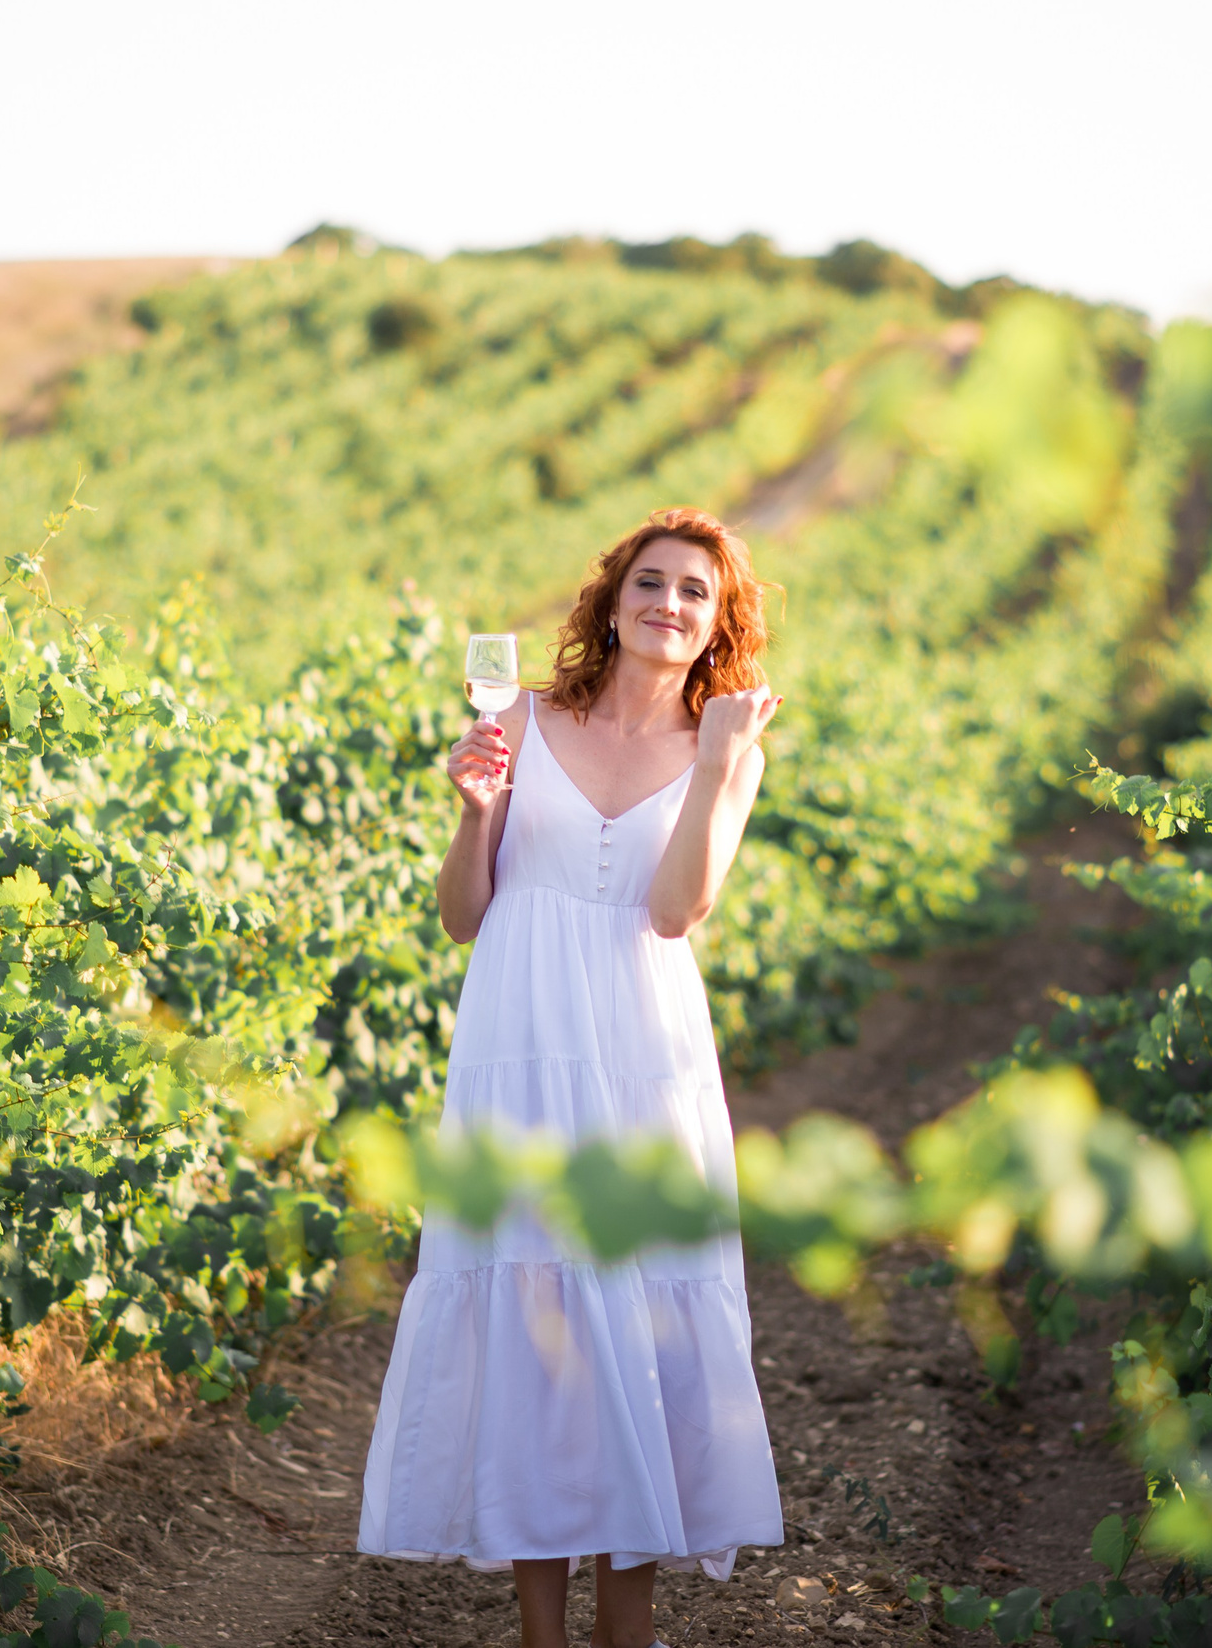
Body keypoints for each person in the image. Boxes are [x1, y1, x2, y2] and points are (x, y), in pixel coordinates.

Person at [357, 507, 786, 1648]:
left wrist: (713, 763)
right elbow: (463, 917)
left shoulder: (727, 745)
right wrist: (474, 813)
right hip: (519, 1039)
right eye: (650, 581)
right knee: (532, 1306)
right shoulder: (521, 720)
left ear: (716, 623)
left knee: (638, 1315)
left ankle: (624, 1632)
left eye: (696, 591)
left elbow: (673, 908)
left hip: (644, 1048)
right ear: (612, 599)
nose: (668, 603)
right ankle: (542, 1632)